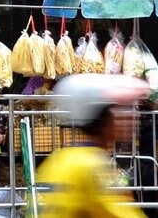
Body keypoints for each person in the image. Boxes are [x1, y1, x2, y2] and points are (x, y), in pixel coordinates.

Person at [35, 74, 151, 218]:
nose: (132, 116)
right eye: (122, 108)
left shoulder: (69, 158)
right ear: (101, 116)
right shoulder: (89, 164)